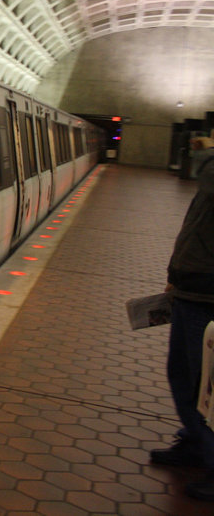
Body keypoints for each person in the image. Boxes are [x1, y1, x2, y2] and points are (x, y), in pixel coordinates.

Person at [151, 136, 214, 501]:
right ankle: (194, 441)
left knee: (206, 385)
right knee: (184, 374)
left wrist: (207, 150)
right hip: (193, 289)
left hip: (208, 296)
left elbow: (207, 174)